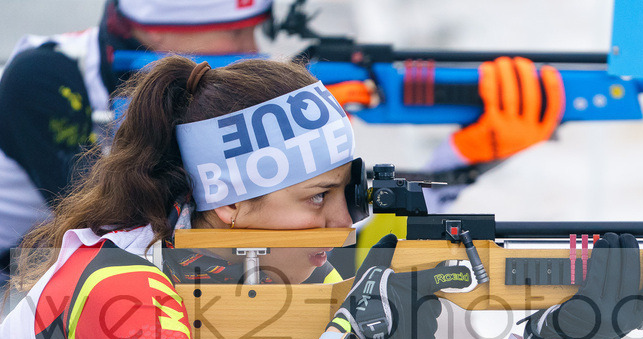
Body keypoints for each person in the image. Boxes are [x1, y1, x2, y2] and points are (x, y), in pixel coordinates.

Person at [0, 55, 643, 339]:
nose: (345, 223)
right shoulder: (119, 285)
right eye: (317, 198)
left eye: (347, 193)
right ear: (232, 205)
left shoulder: (294, 278)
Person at [0, 0, 565, 284]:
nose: (254, 48)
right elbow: (140, 231)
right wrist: (280, 128)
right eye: (237, 33)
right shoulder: (43, 81)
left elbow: (336, 241)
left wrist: (462, 161)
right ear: (166, 31)